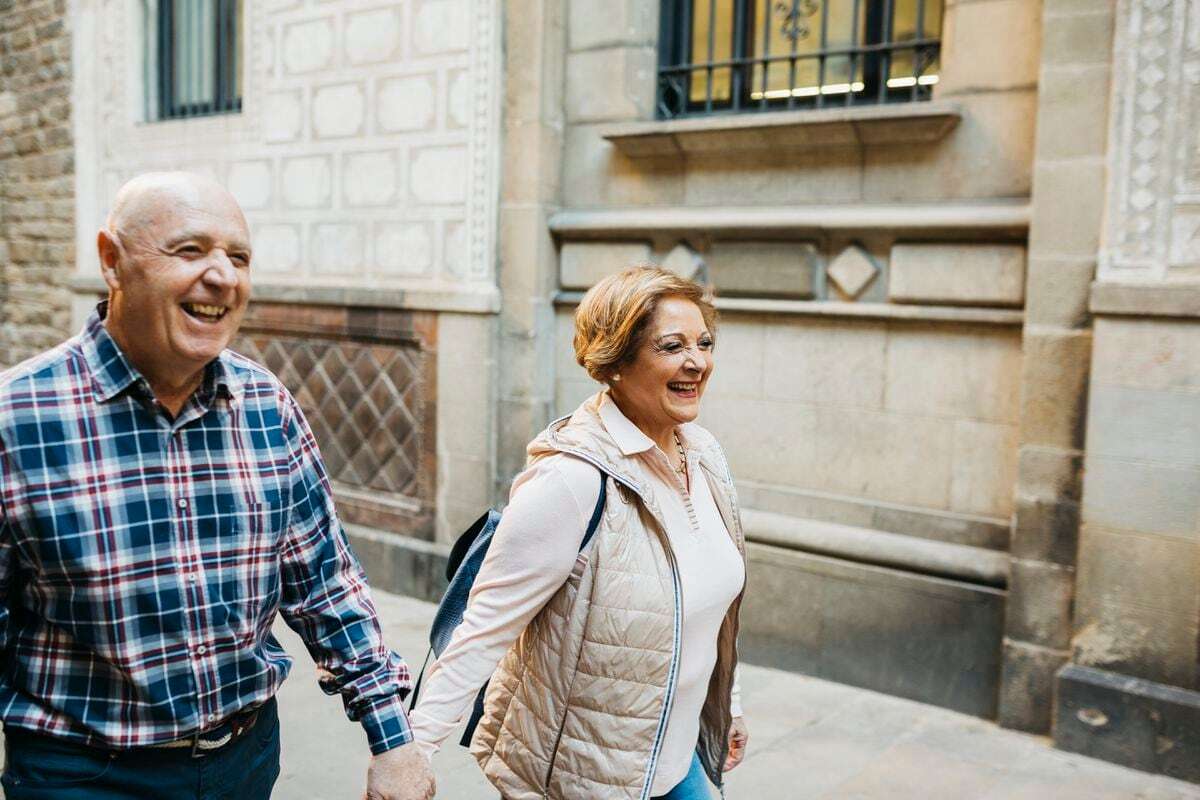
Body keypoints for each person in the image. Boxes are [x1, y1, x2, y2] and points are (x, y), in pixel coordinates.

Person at [0, 172, 435, 800]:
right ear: (111, 261)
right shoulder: (19, 418)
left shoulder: (266, 403)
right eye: (190, 250)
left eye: (239, 257)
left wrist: (394, 739)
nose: (222, 276)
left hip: (245, 760)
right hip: (82, 775)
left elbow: (325, 583)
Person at [411, 266, 749, 800]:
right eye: (671, 346)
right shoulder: (571, 478)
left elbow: (705, 609)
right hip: (587, 775)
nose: (697, 362)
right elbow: (481, 629)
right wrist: (412, 752)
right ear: (616, 360)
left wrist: (724, 706)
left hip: (678, 760)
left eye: (704, 343)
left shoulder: (703, 454)